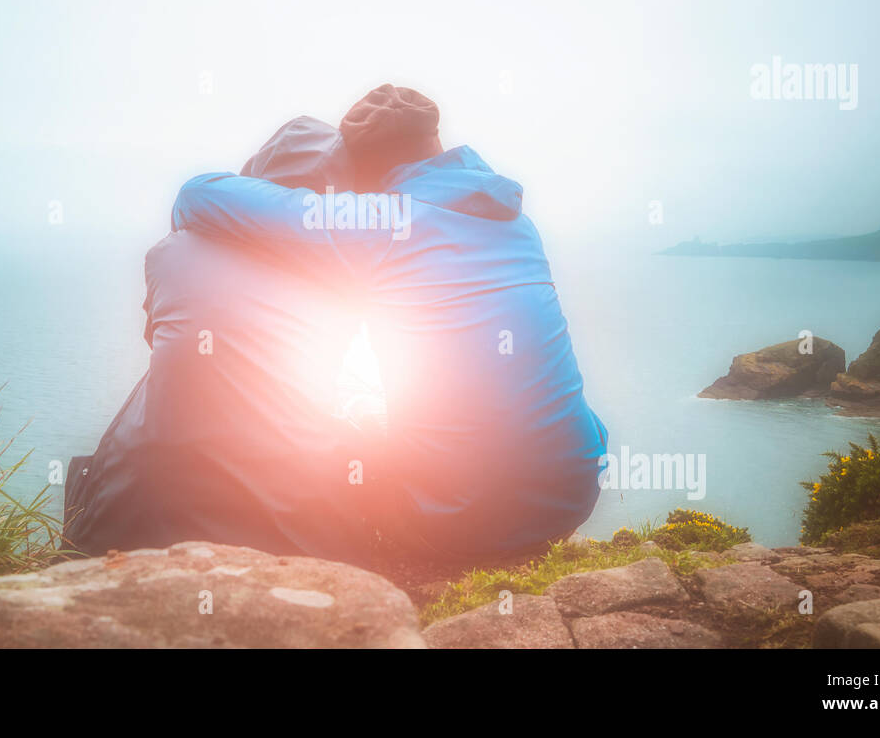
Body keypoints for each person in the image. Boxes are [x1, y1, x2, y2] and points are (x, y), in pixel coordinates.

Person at [172, 84, 608, 562]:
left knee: (346, 422)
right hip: (573, 497)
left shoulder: (377, 221)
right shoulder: (517, 222)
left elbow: (199, 193)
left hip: (458, 524)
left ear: (360, 170)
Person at [62, 117, 374, 564]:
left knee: (153, 395)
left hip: (134, 514)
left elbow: (166, 343)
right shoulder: (351, 273)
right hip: (295, 526)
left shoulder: (171, 251)